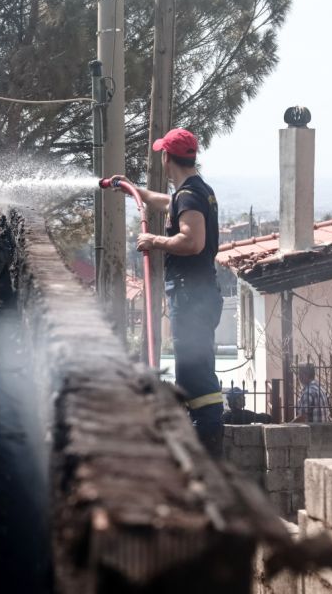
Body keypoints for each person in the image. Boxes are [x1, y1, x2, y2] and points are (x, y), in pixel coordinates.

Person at [111, 127, 224, 457]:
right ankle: (204, 442)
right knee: (198, 369)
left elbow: (193, 241)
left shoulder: (188, 196)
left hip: (190, 296)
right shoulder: (196, 191)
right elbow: (172, 203)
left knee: (193, 373)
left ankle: (206, 451)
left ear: (166, 157)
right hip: (200, 293)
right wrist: (139, 193)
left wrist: (154, 241)